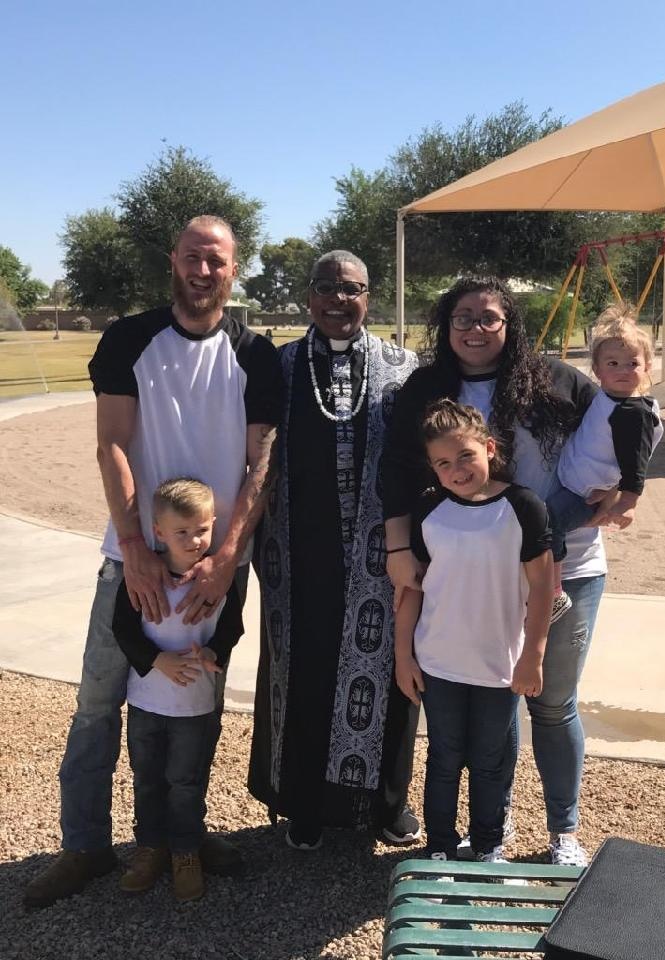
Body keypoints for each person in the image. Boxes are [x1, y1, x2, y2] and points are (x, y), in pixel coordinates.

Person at [24, 215, 283, 909]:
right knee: (97, 706)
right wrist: (135, 546)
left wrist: (228, 556)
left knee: (197, 698)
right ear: (174, 260)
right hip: (131, 562)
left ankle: (180, 834)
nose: (203, 271)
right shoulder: (129, 339)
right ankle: (85, 845)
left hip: (214, 571)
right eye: (193, 257)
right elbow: (111, 443)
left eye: (216, 260)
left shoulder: (256, 354)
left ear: (234, 269)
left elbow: (261, 461)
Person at [382, 276, 608, 867]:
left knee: (551, 704)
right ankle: (483, 831)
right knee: (480, 715)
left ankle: (562, 831)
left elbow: (622, 418)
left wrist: (622, 487)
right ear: (445, 324)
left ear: (510, 323)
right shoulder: (426, 389)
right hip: (469, 574)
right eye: (463, 317)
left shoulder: (555, 381)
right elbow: (397, 471)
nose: (476, 329)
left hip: (565, 566)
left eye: (489, 317)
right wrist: (398, 547)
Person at [248, 250, 421, 851]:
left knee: (391, 674)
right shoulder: (280, 365)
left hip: (382, 552)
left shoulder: (402, 367)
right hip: (300, 554)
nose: (338, 300)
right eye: (325, 287)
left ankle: (385, 806)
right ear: (308, 297)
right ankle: (305, 805)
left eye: (351, 288)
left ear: (369, 296)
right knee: (306, 671)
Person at [395, 400, 553, 863]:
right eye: (443, 463)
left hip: (499, 664)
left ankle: (487, 846)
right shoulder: (429, 509)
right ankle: (440, 849)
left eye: (465, 455)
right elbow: (412, 589)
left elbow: (543, 586)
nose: (457, 470)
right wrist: (403, 656)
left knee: (490, 761)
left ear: (489, 448)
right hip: (439, 661)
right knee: (444, 758)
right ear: (432, 468)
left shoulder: (523, 506)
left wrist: (533, 655)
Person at [113, 479, 243, 902]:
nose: (193, 540)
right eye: (181, 532)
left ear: (214, 524)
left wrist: (214, 651)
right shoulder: (142, 578)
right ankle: (150, 848)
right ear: (159, 531)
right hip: (146, 702)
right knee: (147, 779)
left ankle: (186, 851)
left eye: (201, 530)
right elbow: (123, 628)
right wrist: (156, 660)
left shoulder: (219, 581)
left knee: (186, 781)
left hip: (195, 706)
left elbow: (232, 626)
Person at [547, 305, 663, 621]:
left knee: (548, 524)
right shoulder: (608, 398)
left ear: (647, 366)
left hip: (584, 494)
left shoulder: (633, 413)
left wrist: (626, 501)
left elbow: (636, 463)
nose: (623, 370)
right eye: (613, 363)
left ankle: (553, 593)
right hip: (577, 482)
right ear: (597, 370)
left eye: (632, 363)